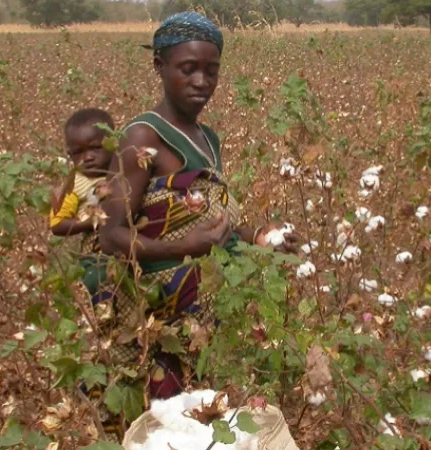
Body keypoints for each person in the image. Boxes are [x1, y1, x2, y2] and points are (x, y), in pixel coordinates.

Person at [95, 11, 296, 431]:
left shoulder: (208, 140)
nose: (201, 81)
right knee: (164, 421)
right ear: (160, 66)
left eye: (211, 70)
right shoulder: (142, 138)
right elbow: (111, 235)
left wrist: (259, 235)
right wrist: (184, 248)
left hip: (209, 306)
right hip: (157, 314)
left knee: (206, 415)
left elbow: (214, 218)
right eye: (188, 69)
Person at [49, 108, 115, 298]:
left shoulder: (125, 168)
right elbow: (57, 224)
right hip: (97, 252)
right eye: (78, 153)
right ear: (69, 155)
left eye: (95, 148)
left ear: (113, 143)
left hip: (132, 241)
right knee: (96, 281)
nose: (87, 158)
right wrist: (91, 221)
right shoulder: (74, 185)